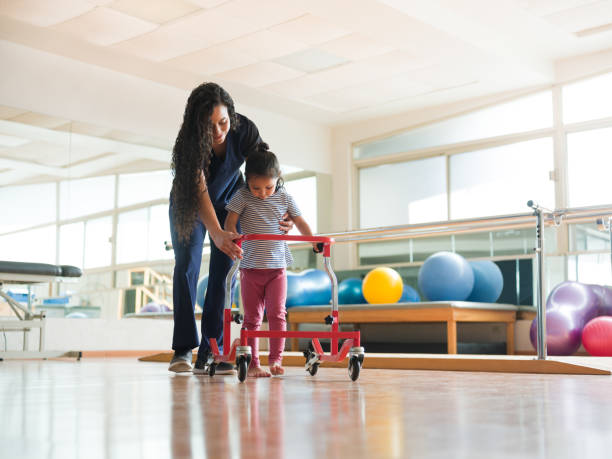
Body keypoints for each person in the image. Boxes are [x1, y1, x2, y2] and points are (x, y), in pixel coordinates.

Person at [168, 83, 293, 374]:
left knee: (225, 271)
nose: (218, 131)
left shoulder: (243, 129)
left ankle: (213, 350)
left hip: (230, 201)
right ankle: (184, 349)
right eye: (209, 126)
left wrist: (280, 209)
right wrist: (215, 231)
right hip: (189, 203)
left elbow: (265, 169)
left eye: (223, 122)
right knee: (187, 264)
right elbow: (199, 190)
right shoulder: (189, 144)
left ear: (231, 116)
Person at [225, 144, 319, 377]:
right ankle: (253, 362)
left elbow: (300, 222)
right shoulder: (242, 196)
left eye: (269, 186)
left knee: (278, 314)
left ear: (279, 178)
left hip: (277, 269)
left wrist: (313, 240)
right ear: (247, 180)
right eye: (256, 187)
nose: (263, 192)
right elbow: (230, 221)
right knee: (252, 318)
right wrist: (231, 237)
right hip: (250, 269)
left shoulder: (285, 197)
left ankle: (276, 359)